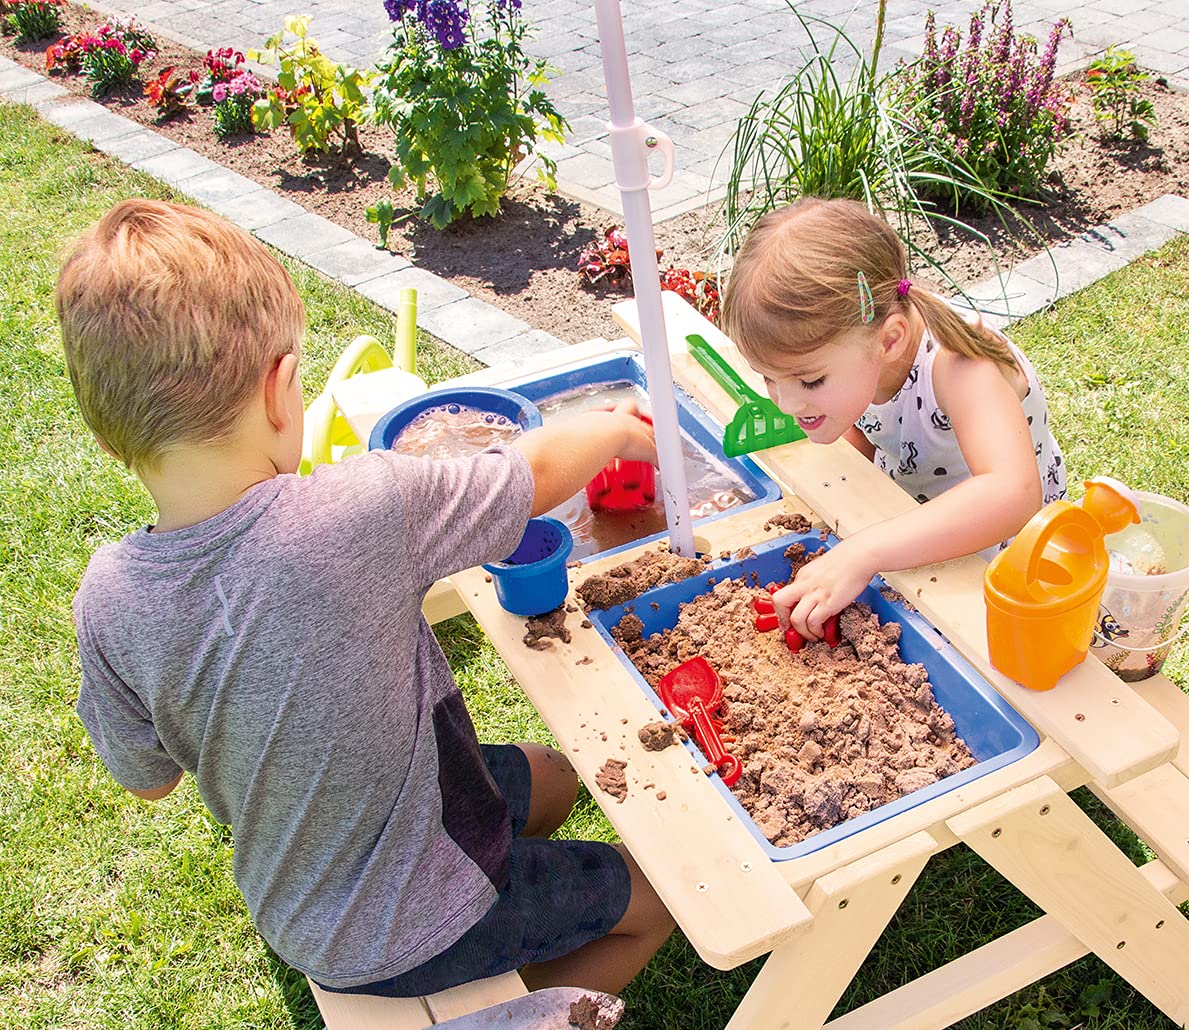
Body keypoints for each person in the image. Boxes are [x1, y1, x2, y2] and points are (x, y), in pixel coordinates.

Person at [56, 199, 674, 999]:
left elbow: (148, 780)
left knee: (552, 778)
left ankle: (500, 940)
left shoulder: (106, 595)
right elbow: (530, 476)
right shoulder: (356, 514)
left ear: (110, 437)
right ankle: (517, 1007)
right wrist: (613, 427)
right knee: (658, 901)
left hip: (300, 899)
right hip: (416, 916)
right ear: (283, 394)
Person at [720, 197, 1066, 641]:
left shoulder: (961, 366)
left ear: (890, 341)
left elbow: (1012, 495)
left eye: (808, 382)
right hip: (913, 531)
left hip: (1007, 568)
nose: (786, 404)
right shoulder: (861, 353)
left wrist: (863, 552)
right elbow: (874, 429)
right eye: (768, 378)